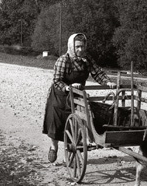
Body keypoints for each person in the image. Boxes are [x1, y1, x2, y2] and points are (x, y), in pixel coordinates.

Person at [42, 33, 115, 163]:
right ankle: (54, 146)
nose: (80, 50)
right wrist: (68, 87)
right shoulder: (63, 60)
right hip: (60, 94)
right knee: (57, 122)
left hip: (77, 95)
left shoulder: (87, 60)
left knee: (75, 123)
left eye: (82, 46)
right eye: (77, 47)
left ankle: (68, 154)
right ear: (72, 46)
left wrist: (107, 82)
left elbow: (97, 72)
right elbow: (57, 80)